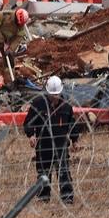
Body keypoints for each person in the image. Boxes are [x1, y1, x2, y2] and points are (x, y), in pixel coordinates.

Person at [23, 75, 81, 203]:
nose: (55, 97)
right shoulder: (38, 104)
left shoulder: (66, 107)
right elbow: (29, 122)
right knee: (43, 172)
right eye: (52, 95)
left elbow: (72, 124)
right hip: (44, 145)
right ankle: (44, 196)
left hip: (61, 145)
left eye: (57, 94)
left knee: (64, 171)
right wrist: (31, 135)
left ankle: (67, 197)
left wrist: (75, 140)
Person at [0, 7, 31, 87]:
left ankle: (9, 80)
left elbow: (19, 37)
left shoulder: (21, 24)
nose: (18, 25)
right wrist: (2, 40)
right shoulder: (3, 15)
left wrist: (11, 48)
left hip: (8, 43)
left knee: (10, 60)